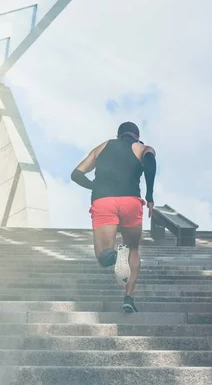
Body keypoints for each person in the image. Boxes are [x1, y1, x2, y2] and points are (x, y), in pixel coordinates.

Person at [70, 121, 157, 313]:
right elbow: (150, 167)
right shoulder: (143, 148)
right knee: (134, 248)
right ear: (137, 135)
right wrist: (150, 197)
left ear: (118, 135)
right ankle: (129, 297)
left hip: (104, 202)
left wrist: (96, 187)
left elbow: (76, 174)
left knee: (103, 257)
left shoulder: (101, 147)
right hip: (131, 202)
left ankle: (115, 255)